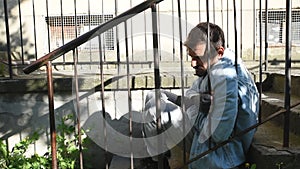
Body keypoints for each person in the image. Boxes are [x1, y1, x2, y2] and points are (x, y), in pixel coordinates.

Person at [142, 22, 259, 169]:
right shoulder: (216, 64)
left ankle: (156, 161)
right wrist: (195, 101)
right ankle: (157, 159)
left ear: (220, 52)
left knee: (155, 109)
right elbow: (191, 92)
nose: (192, 63)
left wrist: (192, 106)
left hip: (221, 150)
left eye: (198, 57)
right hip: (202, 127)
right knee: (154, 95)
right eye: (191, 56)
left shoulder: (225, 77)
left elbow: (218, 135)